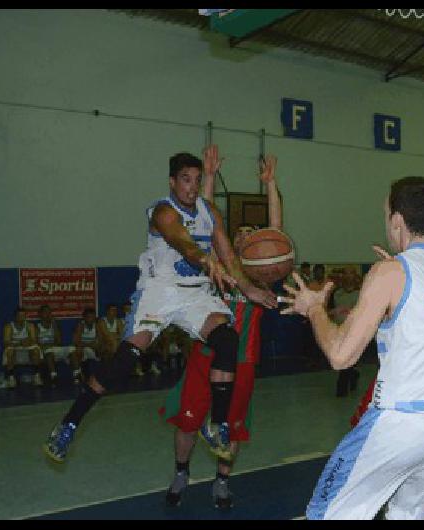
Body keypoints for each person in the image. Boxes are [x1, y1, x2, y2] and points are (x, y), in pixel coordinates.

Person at [43, 146, 276, 465]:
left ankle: (217, 425)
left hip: (195, 295)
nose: (192, 186)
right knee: (124, 363)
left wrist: (250, 289)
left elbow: (229, 256)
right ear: (171, 182)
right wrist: (209, 261)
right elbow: (185, 244)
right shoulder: (162, 212)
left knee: (227, 339)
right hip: (160, 293)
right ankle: (67, 424)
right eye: (185, 180)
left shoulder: (210, 211)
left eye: (196, 179)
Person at [282, 176, 424, 520]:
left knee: (326, 514)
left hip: (402, 422)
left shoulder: (390, 272)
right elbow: (422, 317)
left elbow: (341, 356)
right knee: (405, 516)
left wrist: (314, 308)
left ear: (398, 220)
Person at [160, 151, 283, 509]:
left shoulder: (262, 277)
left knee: (231, 427)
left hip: (243, 363)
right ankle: (181, 473)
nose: (245, 235)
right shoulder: (216, 266)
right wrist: (209, 177)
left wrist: (271, 183)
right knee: (187, 423)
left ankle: (222, 482)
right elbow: (206, 215)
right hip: (205, 356)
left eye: (251, 232)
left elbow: (276, 230)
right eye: (239, 232)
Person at [330, 267, 361, 397]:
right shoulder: (337, 293)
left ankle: (342, 387)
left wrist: (349, 311)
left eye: (350, 274)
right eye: (346, 274)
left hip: (354, 331)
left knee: (346, 357)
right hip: (338, 329)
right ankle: (353, 375)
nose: (348, 277)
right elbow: (331, 310)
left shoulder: (360, 293)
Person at [2, 307, 44, 388]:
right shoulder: (9, 326)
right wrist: (21, 342)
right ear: (15, 317)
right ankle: (11, 378)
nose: (21, 318)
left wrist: (27, 342)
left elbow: (34, 340)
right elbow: (6, 342)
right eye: (19, 316)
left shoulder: (30, 325)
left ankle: (37, 376)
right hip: (15, 349)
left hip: (27, 349)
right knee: (9, 351)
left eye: (23, 316)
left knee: (36, 350)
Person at [35, 304, 68, 385]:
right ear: (40, 314)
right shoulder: (36, 326)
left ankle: (77, 376)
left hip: (53, 348)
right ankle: (54, 376)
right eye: (45, 312)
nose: (48, 314)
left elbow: (59, 342)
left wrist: (55, 325)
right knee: (48, 352)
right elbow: (36, 343)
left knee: (72, 350)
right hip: (42, 350)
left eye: (49, 312)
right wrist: (46, 346)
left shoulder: (55, 325)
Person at [71, 307, 101, 384]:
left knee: (103, 348)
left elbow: (99, 341)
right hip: (84, 350)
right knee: (76, 351)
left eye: (93, 317)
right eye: (89, 317)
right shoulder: (80, 325)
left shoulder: (97, 325)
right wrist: (89, 344)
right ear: (84, 318)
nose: (91, 319)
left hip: (94, 351)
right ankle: (78, 374)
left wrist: (94, 345)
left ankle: (102, 374)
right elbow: (76, 341)